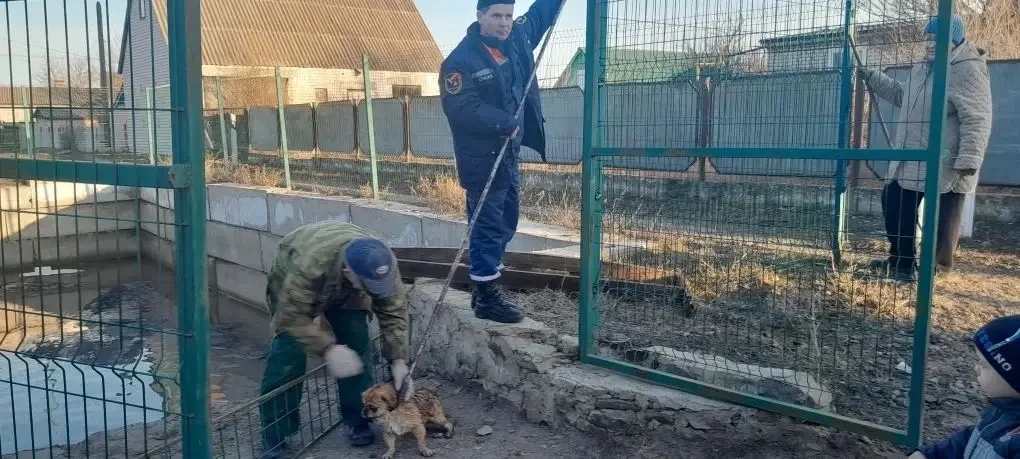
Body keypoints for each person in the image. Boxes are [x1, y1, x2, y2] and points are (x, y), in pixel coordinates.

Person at [439, 0, 564, 324]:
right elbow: (462, 108)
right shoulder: (460, 61)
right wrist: (502, 121)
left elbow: (539, 16)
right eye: (496, 16)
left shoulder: (518, 38)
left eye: (508, 16)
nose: (504, 22)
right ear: (480, 17)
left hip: (508, 154)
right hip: (483, 159)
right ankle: (486, 295)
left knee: (507, 220)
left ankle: (486, 282)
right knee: (487, 224)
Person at [857, 14, 992, 284]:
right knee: (894, 201)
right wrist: (873, 77)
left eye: (935, 39)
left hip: (948, 160)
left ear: (952, 41)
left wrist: (969, 158)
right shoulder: (923, 67)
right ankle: (901, 262)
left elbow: (977, 117)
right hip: (912, 155)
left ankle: (936, 269)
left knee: (945, 217)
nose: (929, 44)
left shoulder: (968, 68)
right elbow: (902, 95)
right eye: (927, 38)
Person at [257, 221, 409, 459]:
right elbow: (291, 317)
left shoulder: (383, 262)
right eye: (370, 285)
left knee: (358, 343)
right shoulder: (308, 266)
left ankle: (358, 417)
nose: (376, 289)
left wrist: (398, 359)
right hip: (296, 272)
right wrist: (329, 349)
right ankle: (275, 433)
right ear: (349, 273)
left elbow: (393, 311)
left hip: (346, 286)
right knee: (288, 354)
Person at [908, 315, 1020, 458]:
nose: (976, 368)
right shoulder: (1002, 409)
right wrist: (932, 454)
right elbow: (974, 438)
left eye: (983, 365)